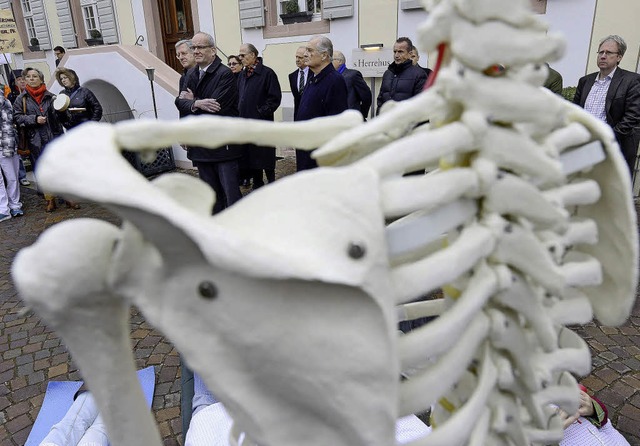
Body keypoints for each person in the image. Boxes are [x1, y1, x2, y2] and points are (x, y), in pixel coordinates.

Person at [175, 32, 242, 214]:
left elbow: (216, 106)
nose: (195, 51)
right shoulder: (190, 74)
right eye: (194, 47)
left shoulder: (225, 74)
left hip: (223, 147)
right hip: (201, 147)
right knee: (211, 196)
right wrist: (197, 103)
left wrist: (192, 102)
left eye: (200, 47)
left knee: (231, 194)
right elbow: (179, 103)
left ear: (212, 50)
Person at [573, 35, 640, 175]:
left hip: (613, 147)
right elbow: (575, 111)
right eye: (600, 52)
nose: (603, 56)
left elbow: (632, 116)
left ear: (619, 57)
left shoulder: (631, 81)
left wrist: (605, 140)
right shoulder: (585, 81)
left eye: (609, 53)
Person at [13, 67, 67, 213]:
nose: (31, 78)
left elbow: (61, 117)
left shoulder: (51, 97)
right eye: (28, 76)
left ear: (41, 79)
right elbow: (17, 117)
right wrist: (34, 119)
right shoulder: (21, 99)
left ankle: (68, 197)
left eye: (35, 76)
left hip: (54, 137)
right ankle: (50, 199)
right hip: (35, 140)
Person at [294, 35, 348, 171]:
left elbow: (336, 123)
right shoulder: (312, 77)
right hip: (306, 150)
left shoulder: (335, 80)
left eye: (310, 50)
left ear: (324, 55)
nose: (305, 54)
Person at [237, 43, 282, 189]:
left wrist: (260, 112)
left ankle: (271, 183)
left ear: (253, 55)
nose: (240, 58)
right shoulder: (243, 75)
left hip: (262, 124)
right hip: (245, 125)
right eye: (240, 55)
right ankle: (258, 183)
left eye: (243, 55)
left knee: (265, 156)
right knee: (251, 156)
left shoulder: (267, 73)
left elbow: (274, 98)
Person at [377, 37, 427, 113]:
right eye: (395, 51)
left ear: (410, 54)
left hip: (406, 123)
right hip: (387, 122)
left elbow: (420, 105)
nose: (396, 55)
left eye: (400, 52)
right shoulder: (387, 74)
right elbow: (381, 101)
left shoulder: (419, 74)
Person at [0, 94, 22, 222]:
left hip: (5, 143)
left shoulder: (3, 101)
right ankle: (3, 209)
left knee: (12, 176)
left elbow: (7, 123)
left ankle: (15, 205)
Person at [332, 50, 372, 119]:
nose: (329, 62)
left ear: (340, 61)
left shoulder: (353, 75)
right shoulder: (331, 77)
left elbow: (366, 96)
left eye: (331, 60)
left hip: (351, 118)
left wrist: (361, 114)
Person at [7, 69, 30, 186]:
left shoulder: (29, 92)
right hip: (18, 126)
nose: (21, 82)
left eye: (23, 79)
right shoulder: (11, 95)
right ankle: (22, 175)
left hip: (31, 123)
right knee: (19, 151)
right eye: (18, 80)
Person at [288, 46, 312, 120]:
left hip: (312, 117)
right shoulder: (292, 76)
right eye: (296, 57)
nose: (297, 60)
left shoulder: (314, 74)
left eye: (300, 58)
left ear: (307, 57)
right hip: (298, 117)